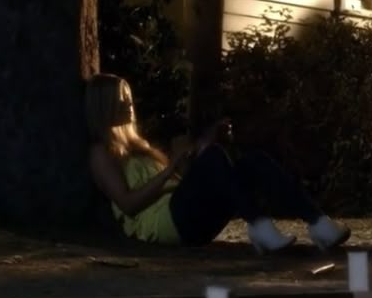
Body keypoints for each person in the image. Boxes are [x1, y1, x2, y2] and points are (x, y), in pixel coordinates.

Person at [85, 73, 351, 253]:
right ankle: (259, 227)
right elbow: (128, 205)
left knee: (253, 162)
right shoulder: (101, 152)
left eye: (128, 95)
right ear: (103, 105)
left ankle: (319, 224)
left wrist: (205, 142)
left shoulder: (139, 146)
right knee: (213, 157)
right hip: (164, 226)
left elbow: (191, 180)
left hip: (187, 213)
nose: (129, 102)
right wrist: (168, 171)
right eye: (120, 98)